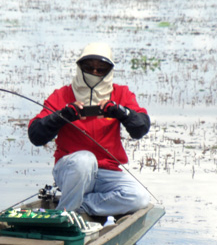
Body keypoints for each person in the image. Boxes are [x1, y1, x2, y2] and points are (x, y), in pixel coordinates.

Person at [28, 42, 151, 218]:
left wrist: (121, 112)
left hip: (106, 173)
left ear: (109, 71)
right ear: (80, 67)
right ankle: (65, 216)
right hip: (72, 171)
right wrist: (62, 115)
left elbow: (141, 128)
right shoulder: (62, 95)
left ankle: (80, 207)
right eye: (89, 67)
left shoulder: (121, 94)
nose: (94, 72)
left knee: (140, 197)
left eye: (101, 69)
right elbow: (35, 135)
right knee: (85, 160)